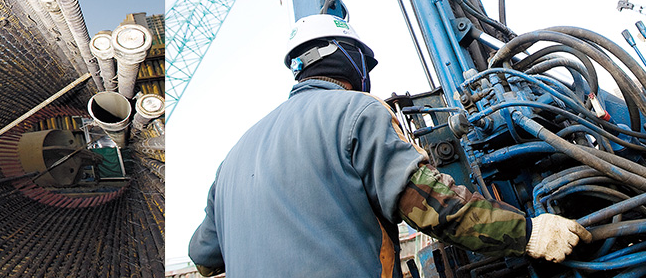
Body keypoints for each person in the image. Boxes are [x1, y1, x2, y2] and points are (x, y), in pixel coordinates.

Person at [189, 14, 591, 277]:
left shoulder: (232, 159)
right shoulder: (354, 112)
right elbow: (434, 209)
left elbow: (203, 257)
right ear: (347, 57)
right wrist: (528, 233)